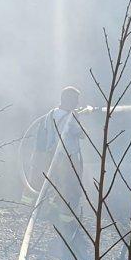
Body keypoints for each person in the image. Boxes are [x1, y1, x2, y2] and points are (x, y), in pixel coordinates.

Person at [23, 86, 88, 241]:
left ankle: (35, 211)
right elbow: (82, 135)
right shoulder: (70, 118)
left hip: (52, 156)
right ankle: (67, 221)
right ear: (67, 99)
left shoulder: (51, 114)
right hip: (67, 158)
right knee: (70, 188)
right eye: (75, 100)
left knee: (52, 185)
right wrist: (77, 119)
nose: (77, 103)